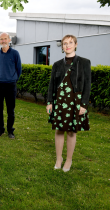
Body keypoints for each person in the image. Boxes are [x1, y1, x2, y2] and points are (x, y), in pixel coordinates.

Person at [46, 34, 91, 172]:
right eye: (65, 43)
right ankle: (58, 159)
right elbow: (52, 85)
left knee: (72, 132)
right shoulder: (57, 64)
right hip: (60, 101)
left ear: (76, 44)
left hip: (75, 102)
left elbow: (87, 85)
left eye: (70, 42)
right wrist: (49, 102)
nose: (67, 45)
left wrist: (84, 104)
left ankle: (69, 160)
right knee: (59, 130)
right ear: (62, 47)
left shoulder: (84, 62)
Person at [0, 32, 22, 139]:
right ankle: (0, 130)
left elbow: (19, 69)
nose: (3, 41)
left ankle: (10, 131)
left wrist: (12, 79)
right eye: (1, 39)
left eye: (5, 38)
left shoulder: (15, 53)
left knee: (11, 110)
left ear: (9, 40)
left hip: (10, 85)